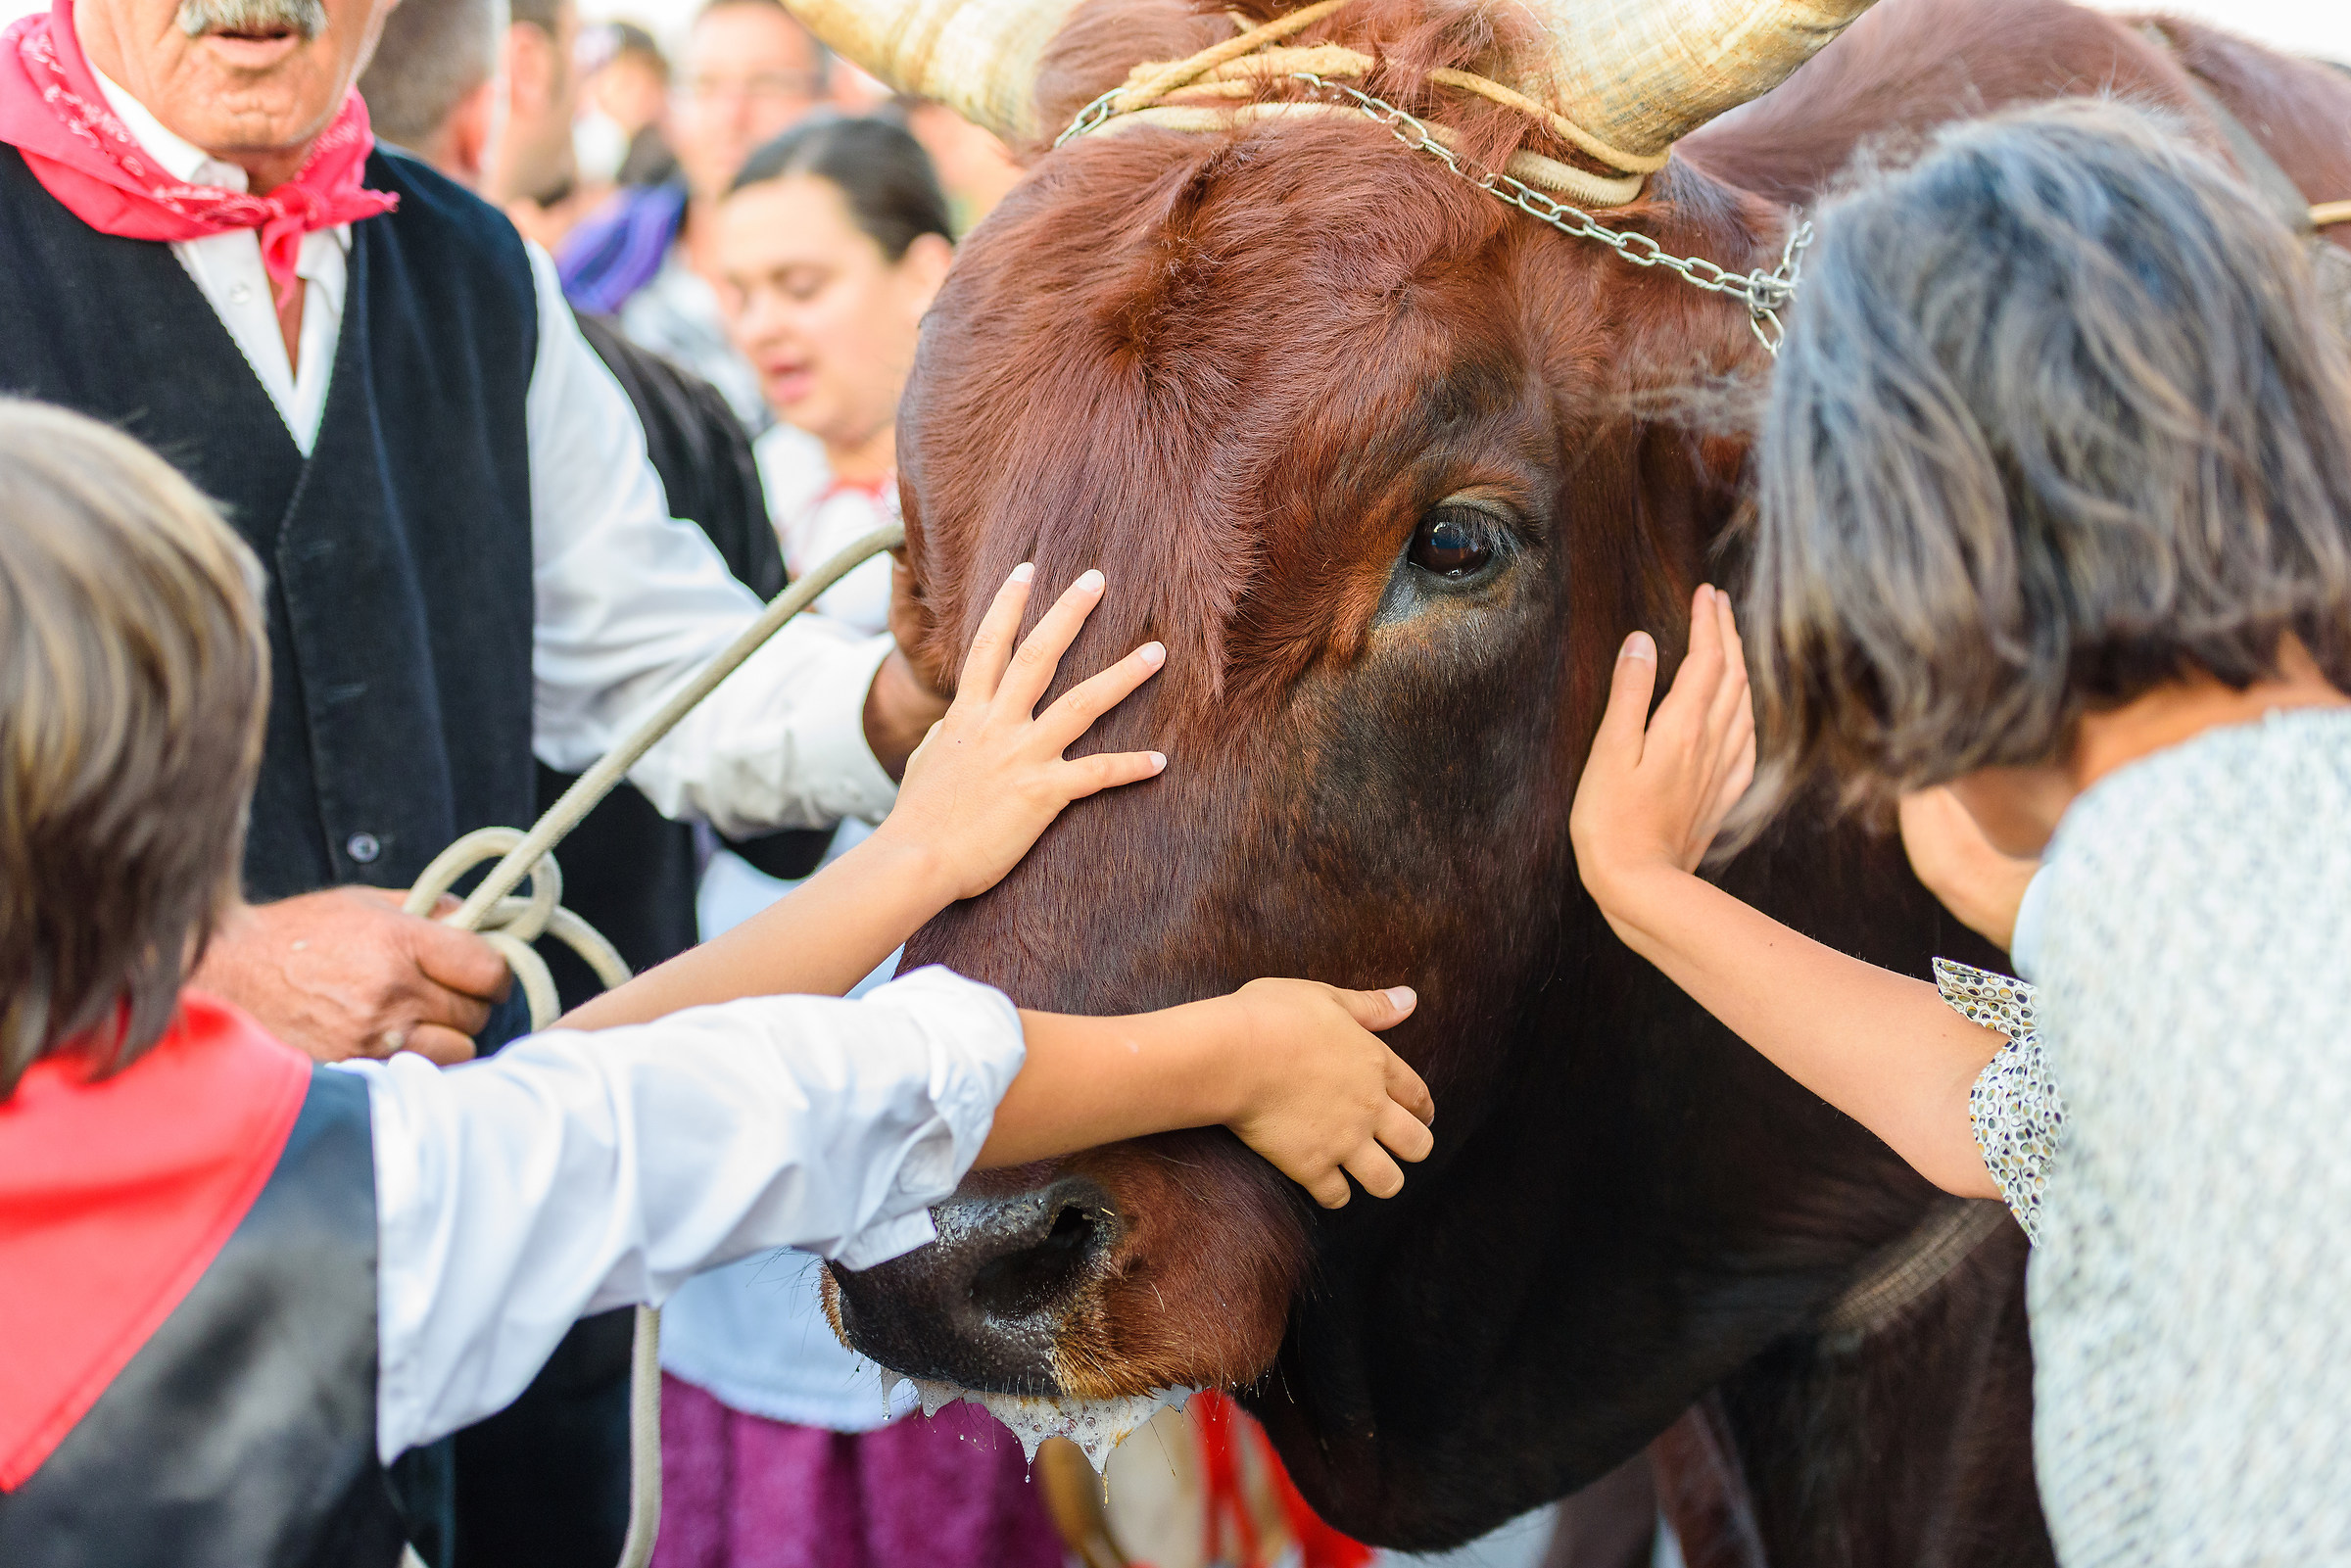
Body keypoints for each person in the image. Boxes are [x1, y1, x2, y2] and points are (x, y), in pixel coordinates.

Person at [0, 399, 1438, 1568]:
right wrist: (1241, 1056)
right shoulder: (321, 1211)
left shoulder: (332, 1176)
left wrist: (912, 857)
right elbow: (825, 1095)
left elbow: (548, 1105)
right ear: (196, 832)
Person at [1568, 102, 2351, 1564]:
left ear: (1912, 539)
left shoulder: (2182, 909)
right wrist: (1643, 888)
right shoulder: (2243, 857)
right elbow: (2013, 1111)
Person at [360, 5, 841, 1557]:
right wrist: (206, 970)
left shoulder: (480, 280)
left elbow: (661, 664)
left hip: (526, 1222)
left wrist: (910, 715)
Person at [648, 115, 1028, 1568]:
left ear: (926, 270)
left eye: (801, 283)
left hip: (965, 1104)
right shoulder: (709, 498)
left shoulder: (1013, 523)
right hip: (750, 1079)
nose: (763, 325)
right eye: (739, 292)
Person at [558, 0, 826, 427]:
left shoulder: (867, 275)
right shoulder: (604, 258)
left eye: (767, 84)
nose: (730, 115)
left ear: (827, 101)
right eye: (706, 85)